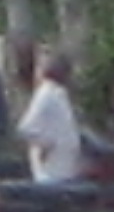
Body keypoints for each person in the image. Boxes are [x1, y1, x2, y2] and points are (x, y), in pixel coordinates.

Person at [17, 51, 85, 186]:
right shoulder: (51, 93)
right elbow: (26, 129)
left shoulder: (52, 92)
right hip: (55, 171)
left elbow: (27, 128)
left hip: (58, 171)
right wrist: (46, 143)